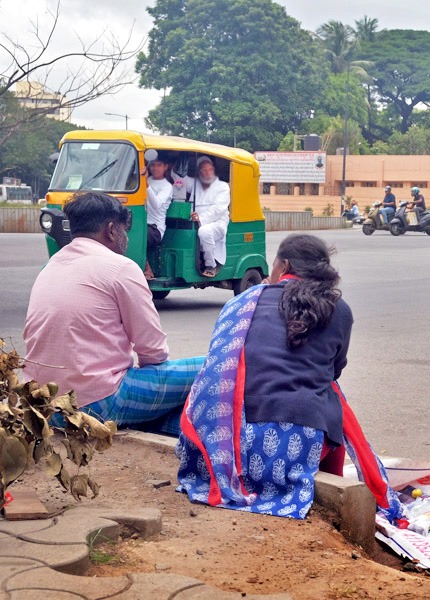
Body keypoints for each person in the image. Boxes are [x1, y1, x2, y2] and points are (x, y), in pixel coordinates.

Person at [176, 234, 403, 521]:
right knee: (328, 391)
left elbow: (215, 371)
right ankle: (322, 476)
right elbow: (333, 371)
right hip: (300, 449)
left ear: (282, 266)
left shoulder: (240, 304)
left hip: (229, 454)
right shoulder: (340, 310)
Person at [23, 192, 203, 434]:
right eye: (124, 230)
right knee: (216, 365)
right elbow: (153, 352)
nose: (126, 238)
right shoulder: (121, 267)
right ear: (111, 230)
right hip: (95, 402)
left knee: (158, 407)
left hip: (46, 406)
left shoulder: (50, 266)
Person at [191, 156, 230, 278]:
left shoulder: (223, 186)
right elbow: (178, 180)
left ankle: (210, 265)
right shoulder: (195, 184)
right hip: (194, 221)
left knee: (204, 231)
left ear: (214, 170)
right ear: (199, 172)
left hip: (217, 223)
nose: (207, 173)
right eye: (204, 170)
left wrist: (201, 218)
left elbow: (218, 209)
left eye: (210, 169)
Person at [144, 154, 173, 279]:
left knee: (137, 236)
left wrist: (145, 184)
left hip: (155, 229)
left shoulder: (167, 186)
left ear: (166, 167)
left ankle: (147, 269)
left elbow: (156, 204)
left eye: (159, 165)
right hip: (142, 224)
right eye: (153, 165)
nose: (155, 168)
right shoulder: (147, 181)